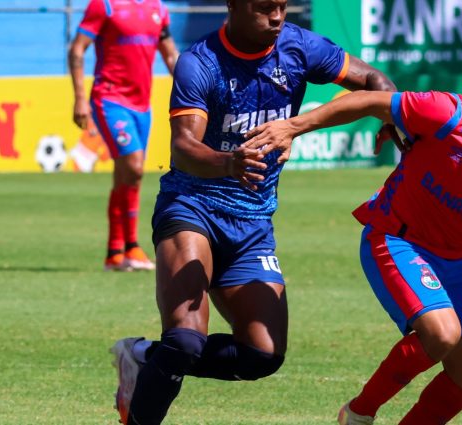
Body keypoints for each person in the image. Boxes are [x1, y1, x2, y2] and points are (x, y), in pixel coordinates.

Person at [108, 0, 400, 423]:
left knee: (262, 355)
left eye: (282, 5)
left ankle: (143, 356)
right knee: (187, 340)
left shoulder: (299, 47)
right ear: (234, 5)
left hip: (253, 224)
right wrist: (229, 162)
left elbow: (374, 79)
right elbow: (184, 148)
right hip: (193, 208)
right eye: (265, 7)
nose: (277, 16)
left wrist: (386, 111)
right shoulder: (199, 63)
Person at [244, 55, 462, 424]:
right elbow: (367, 100)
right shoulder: (451, 114)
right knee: (443, 334)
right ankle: (358, 413)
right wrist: (293, 127)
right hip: (395, 237)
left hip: (454, 257)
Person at [69, 0, 180, 271]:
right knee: (134, 165)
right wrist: (80, 98)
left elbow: (170, 55)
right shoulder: (104, 5)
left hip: (142, 105)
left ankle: (114, 253)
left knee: (127, 175)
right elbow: (77, 50)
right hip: (109, 99)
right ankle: (132, 246)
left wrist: (196, 91)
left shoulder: (158, 9)